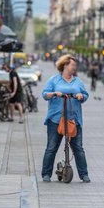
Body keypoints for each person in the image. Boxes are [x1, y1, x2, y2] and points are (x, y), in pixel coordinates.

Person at [40, 54, 91, 183]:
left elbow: (85, 95)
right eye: (72, 65)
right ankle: (46, 174)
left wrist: (81, 96)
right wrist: (54, 94)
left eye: (75, 65)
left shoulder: (77, 81)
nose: (74, 67)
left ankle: (84, 174)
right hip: (56, 120)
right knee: (51, 147)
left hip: (74, 120)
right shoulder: (54, 80)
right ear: (65, 65)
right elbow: (45, 94)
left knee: (78, 148)